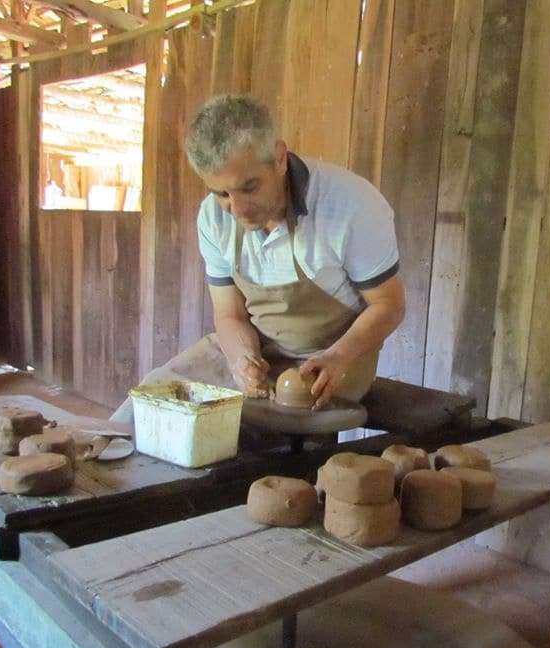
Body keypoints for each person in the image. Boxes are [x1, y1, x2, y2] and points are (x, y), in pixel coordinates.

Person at [111, 94, 405, 423]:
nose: (237, 209)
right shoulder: (212, 217)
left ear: (279, 158)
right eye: (221, 193)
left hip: (335, 354)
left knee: (264, 428)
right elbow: (230, 315)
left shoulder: (350, 205)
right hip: (261, 347)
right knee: (148, 406)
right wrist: (241, 359)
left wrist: (339, 356)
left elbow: (388, 305)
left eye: (249, 187)